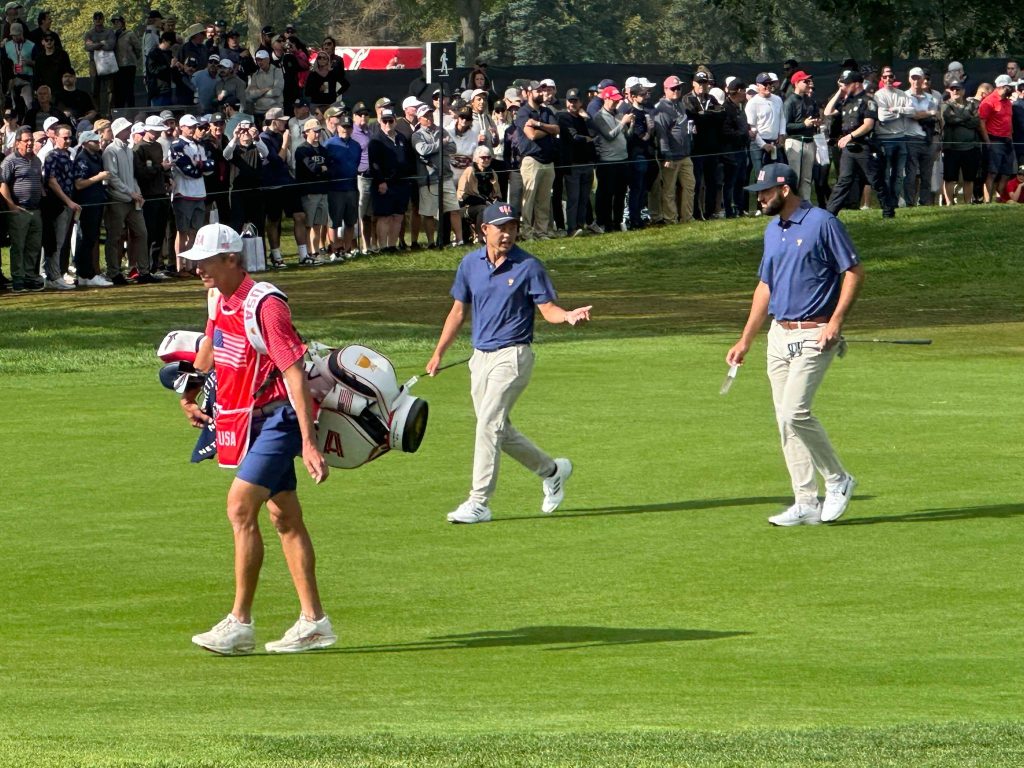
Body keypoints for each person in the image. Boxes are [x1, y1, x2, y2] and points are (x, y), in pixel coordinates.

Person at [179, 222, 336, 656]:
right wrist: (189, 394)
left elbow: (293, 372)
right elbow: (210, 351)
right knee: (284, 516)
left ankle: (240, 623)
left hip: (280, 419)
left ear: (232, 259)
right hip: (248, 420)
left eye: (205, 262)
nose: (197, 270)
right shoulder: (217, 297)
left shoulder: (266, 306)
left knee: (239, 507)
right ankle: (314, 622)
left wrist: (307, 440)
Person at [425, 201, 592, 524]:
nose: (508, 233)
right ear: (483, 230)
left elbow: (548, 310)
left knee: (488, 424)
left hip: (513, 356)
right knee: (498, 429)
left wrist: (568, 316)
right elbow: (458, 312)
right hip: (479, 358)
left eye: (512, 226)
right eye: (501, 227)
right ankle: (552, 471)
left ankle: (479, 502)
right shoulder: (469, 265)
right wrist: (438, 353)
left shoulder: (528, 266)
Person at [726, 163, 863, 527]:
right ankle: (805, 500)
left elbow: (853, 271)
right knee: (784, 422)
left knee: (795, 412)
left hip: (814, 333)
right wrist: (745, 339)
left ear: (785, 190)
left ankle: (838, 479)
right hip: (778, 334)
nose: (760, 200)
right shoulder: (773, 230)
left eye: (765, 192)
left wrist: (835, 322)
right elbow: (765, 287)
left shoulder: (822, 222)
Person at [824, 69, 895, 218]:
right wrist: (839, 91)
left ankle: (888, 211)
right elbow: (827, 112)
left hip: (864, 147)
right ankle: (829, 213)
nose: (844, 86)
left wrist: (850, 136)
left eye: (847, 83)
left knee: (875, 180)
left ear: (856, 84)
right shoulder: (846, 102)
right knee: (843, 181)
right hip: (849, 148)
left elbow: (868, 125)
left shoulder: (868, 101)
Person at [0, 125, 44, 292]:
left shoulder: (36, 160)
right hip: (19, 210)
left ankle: (29, 276)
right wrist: (12, 206)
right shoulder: (10, 161)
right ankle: (18, 278)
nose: (30, 143)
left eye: (31, 140)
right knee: (18, 245)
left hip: (36, 209)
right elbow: (2, 184)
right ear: (18, 143)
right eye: (26, 141)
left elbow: (38, 180)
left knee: (33, 246)